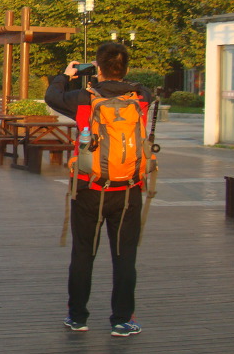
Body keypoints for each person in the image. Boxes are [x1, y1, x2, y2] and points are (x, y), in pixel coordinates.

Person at [44, 41, 154, 337]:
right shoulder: (141, 97)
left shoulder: (84, 98)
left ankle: (77, 316)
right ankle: (122, 319)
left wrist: (67, 75)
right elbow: (144, 89)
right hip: (129, 188)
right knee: (124, 256)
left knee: (83, 253)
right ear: (125, 67)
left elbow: (52, 97)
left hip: (89, 187)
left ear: (98, 67)